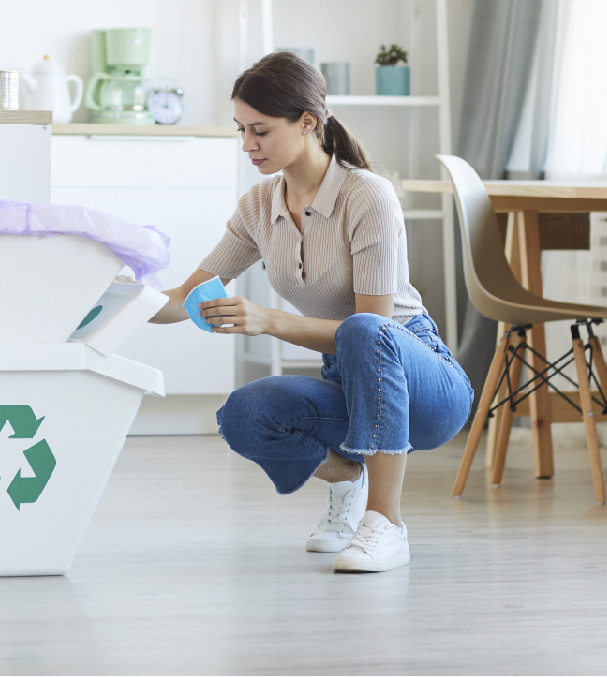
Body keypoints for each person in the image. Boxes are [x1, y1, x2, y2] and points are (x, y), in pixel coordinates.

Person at [149, 51, 472, 572]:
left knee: (366, 330)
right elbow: (185, 296)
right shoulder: (258, 206)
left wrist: (270, 320)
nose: (248, 145)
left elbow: (373, 325)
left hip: (423, 387)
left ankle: (385, 522)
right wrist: (116, 298)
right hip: (349, 384)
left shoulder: (368, 196)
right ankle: (349, 479)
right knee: (244, 413)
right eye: (241, 130)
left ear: (307, 122)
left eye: (261, 130)